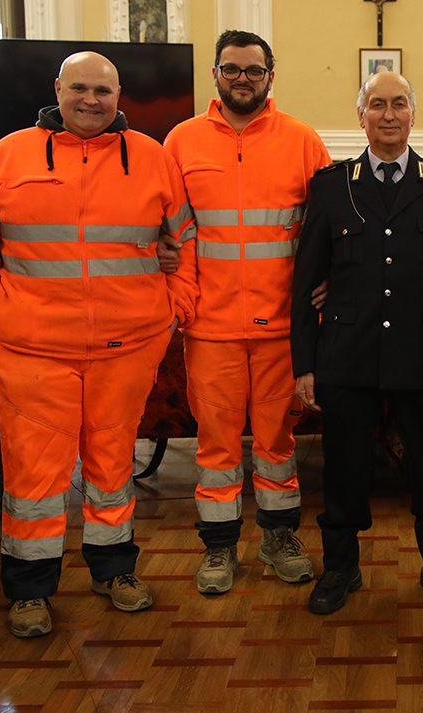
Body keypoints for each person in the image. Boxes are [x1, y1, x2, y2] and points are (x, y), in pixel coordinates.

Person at [0, 51, 197, 638]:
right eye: (80, 88)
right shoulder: (8, 156)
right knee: (35, 480)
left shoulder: (153, 158)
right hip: (31, 351)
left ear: (120, 97)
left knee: (114, 468)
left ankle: (114, 573)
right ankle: (30, 592)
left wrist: (174, 310)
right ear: (57, 89)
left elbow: (185, 241)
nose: (92, 100)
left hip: (127, 348)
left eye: (103, 91)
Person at [291, 71, 423, 616]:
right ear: (362, 115)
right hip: (346, 356)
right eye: (378, 105)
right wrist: (306, 363)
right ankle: (340, 570)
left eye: (399, 104)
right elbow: (307, 283)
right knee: (344, 471)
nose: (389, 114)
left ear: (413, 114)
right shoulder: (331, 184)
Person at [160, 30, 330, 594]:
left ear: (270, 77)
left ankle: (281, 538)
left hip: (283, 326)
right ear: (215, 74)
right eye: (231, 69)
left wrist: (327, 288)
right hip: (209, 328)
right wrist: (181, 304)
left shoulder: (302, 140)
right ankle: (219, 548)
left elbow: (328, 229)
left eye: (253, 71)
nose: (242, 79)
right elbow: (169, 233)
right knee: (215, 446)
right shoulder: (180, 143)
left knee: (279, 444)